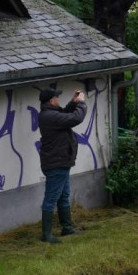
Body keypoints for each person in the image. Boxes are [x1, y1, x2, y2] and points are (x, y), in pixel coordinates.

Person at [37, 87, 87, 243]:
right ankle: (46, 235)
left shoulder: (49, 114)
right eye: (56, 98)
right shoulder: (49, 116)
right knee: (51, 199)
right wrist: (81, 104)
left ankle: (67, 228)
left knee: (63, 196)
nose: (58, 100)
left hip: (60, 162)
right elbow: (74, 119)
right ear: (51, 101)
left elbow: (64, 114)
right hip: (56, 164)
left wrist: (73, 103)